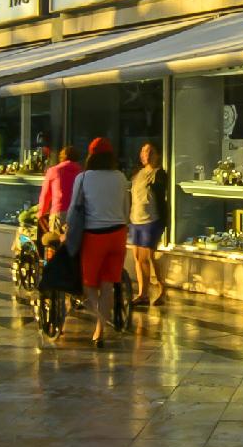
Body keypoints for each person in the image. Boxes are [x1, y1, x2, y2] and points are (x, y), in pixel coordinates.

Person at [69, 138, 131, 343]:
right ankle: (100, 330)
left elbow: (72, 212)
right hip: (118, 235)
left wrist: (66, 229)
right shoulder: (121, 177)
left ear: (91, 156)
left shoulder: (84, 178)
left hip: (94, 237)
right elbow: (126, 209)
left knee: (87, 288)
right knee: (107, 286)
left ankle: (101, 322)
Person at [128, 142, 168, 307]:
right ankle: (146, 291)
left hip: (151, 220)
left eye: (150, 152)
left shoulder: (159, 174)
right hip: (136, 219)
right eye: (143, 151)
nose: (146, 155)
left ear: (157, 155)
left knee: (147, 256)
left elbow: (160, 195)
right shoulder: (138, 174)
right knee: (138, 257)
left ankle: (155, 290)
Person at [36, 142, 81, 229]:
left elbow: (45, 195)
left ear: (61, 157)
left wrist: (41, 214)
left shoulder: (53, 171)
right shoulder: (82, 172)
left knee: (56, 241)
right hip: (77, 214)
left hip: (59, 213)